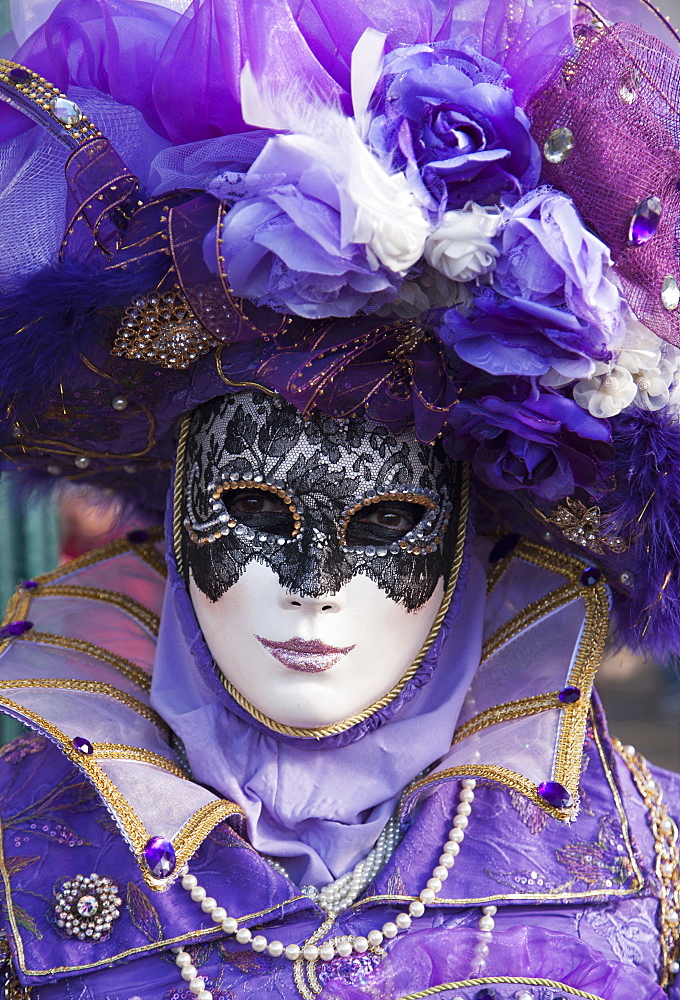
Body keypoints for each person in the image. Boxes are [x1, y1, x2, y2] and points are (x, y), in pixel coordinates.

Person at [0, 0, 680, 997]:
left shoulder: (646, 865)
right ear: (178, 510)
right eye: (254, 511)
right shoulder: (25, 859)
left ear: (465, 537)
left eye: (387, 524)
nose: (313, 588)